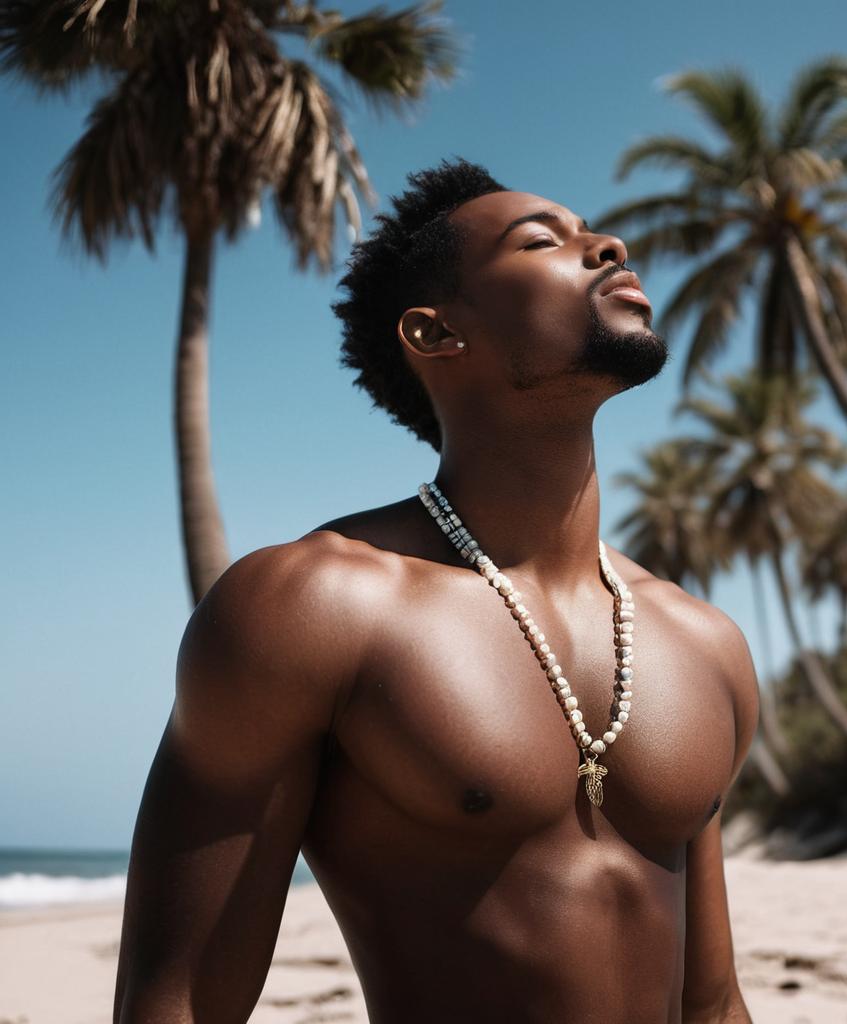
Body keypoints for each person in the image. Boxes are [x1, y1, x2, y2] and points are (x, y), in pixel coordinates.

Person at [112, 157, 759, 1023]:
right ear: (435, 334)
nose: (610, 246)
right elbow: (180, 1001)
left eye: (595, 234)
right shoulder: (312, 608)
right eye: (543, 241)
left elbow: (713, 1007)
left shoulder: (700, 641)